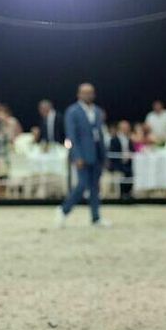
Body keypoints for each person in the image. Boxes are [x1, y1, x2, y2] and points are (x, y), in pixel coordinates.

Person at [55, 83, 109, 227]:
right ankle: (63, 210)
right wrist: (76, 155)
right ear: (79, 94)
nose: (88, 95)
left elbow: (100, 135)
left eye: (90, 92)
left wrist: (104, 156)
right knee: (82, 185)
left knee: (94, 188)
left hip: (97, 154)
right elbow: (71, 136)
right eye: (85, 93)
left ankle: (96, 217)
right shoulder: (72, 111)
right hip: (82, 155)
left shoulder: (97, 111)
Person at [108, 119, 134, 200]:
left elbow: (132, 150)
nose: (126, 129)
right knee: (124, 172)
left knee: (131, 171)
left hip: (128, 163)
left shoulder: (129, 139)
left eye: (127, 127)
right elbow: (112, 153)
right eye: (124, 128)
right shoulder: (114, 139)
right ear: (120, 128)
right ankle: (123, 194)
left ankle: (128, 193)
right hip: (117, 164)